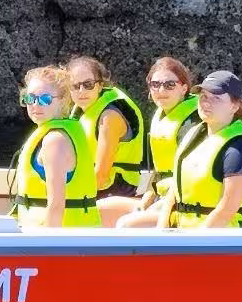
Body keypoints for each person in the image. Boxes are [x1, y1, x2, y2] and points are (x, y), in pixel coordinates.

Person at [116, 71, 242, 229]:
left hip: (221, 239)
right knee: (127, 226)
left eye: (216, 98)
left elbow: (226, 210)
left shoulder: (240, 148)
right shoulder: (195, 134)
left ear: (234, 106)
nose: (206, 103)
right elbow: (175, 189)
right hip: (186, 227)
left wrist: (195, 244)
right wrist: (161, 230)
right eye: (204, 96)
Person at [97, 56, 199, 227]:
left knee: (126, 225)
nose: (161, 90)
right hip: (160, 195)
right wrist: (146, 202)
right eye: (155, 84)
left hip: (183, 203)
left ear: (184, 88)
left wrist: (163, 216)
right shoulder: (160, 116)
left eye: (169, 85)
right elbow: (159, 172)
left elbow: (187, 176)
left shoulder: (191, 122)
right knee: (98, 211)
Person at [10, 66, 100, 228]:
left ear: (64, 100)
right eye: (30, 98)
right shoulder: (57, 133)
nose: (35, 105)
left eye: (45, 99)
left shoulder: (55, 141)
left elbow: (56, 204)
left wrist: (48, 248)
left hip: (64, 241)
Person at [66, 56, 146, 198]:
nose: (81, 91)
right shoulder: (82, 111)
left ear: (101, 85)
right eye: (75, 86)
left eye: (88, 84)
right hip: (93, 190)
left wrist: (67, 197)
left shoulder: (109, 117)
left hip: (114, 190)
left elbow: (101, 174)